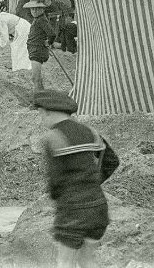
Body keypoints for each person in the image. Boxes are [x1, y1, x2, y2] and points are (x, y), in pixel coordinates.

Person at [34, 90, 113, 268]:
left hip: (72, 210)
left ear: (47, 112)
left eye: (40, 114)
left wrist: (58, 197)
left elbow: (55, 180)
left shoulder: (52, 138)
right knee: (88, 261)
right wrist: (92, 182)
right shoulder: (90, 132)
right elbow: (112, 161)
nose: (41, 119)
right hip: (98, 207)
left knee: (64, 262)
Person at [25, 0, 56, 92]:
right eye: (32, 9)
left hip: (38, 51)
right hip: (34, 50)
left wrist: (49, 42)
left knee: (35, 78)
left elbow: (52, 34)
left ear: (42, 9)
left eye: (37, 9)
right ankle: (42, 97)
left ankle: (38, 100)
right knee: (37, 78)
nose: (34, 11)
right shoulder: (38, 19)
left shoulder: (41, 20)